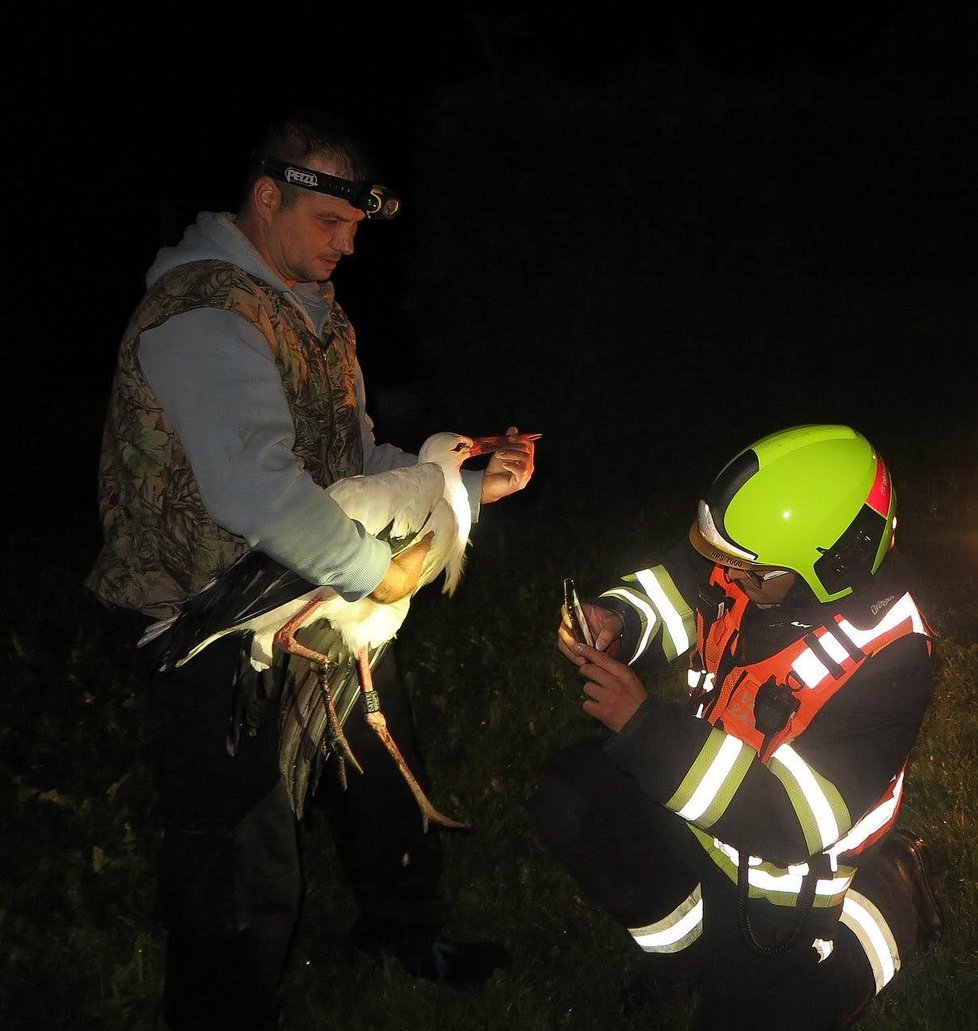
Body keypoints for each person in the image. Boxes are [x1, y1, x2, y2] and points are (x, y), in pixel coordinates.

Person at [85, 108, 534, 1030]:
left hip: (316, 583)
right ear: (265, 198)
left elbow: (358, 460)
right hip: (205, 620)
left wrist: (465, 487)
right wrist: (379, 575)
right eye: (330, 224)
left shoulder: (317, 316)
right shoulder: (201, 314)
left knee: (375, 758)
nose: (348, 246)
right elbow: (258, 488)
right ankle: (225, 1010)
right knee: (240, 842)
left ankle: (405, 936)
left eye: (356, 230)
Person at [527, 424, 943, 1030]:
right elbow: (679, 589)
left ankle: (893, 896)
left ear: (828, 566)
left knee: (771, 1014)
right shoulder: (764, 565)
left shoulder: (893, 661)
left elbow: (790, 820)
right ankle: (685, 957)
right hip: (700, 815)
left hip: (787, 883)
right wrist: (620, 619)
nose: (727, 575)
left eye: (747, 571)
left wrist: (644, 729)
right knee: (569, 799)